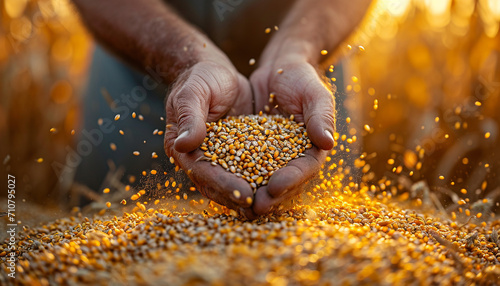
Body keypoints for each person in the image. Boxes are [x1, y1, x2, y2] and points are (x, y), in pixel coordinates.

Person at [71, 0, 371, 219]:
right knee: (113, 223)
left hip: (301, 76)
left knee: (320, 233)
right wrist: (185, 60)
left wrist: (298, 49)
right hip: (141, 69)